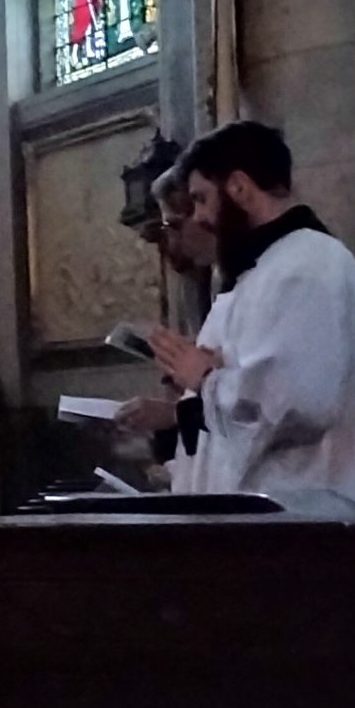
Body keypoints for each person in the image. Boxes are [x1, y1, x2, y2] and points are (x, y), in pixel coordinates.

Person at [148, 120, 355, 508]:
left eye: (202, 199)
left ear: (238, 187)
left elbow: (298, 403)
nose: (199, 217)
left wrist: (204, 377)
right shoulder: (261, 270)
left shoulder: (305, 265)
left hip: (304, 512)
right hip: (268, 514)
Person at [117, 162, 222, 491]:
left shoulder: (274, 277)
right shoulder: (215, 277)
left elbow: (267, 408)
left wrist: (195, 381)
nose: (170, 242)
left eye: (172, 226)